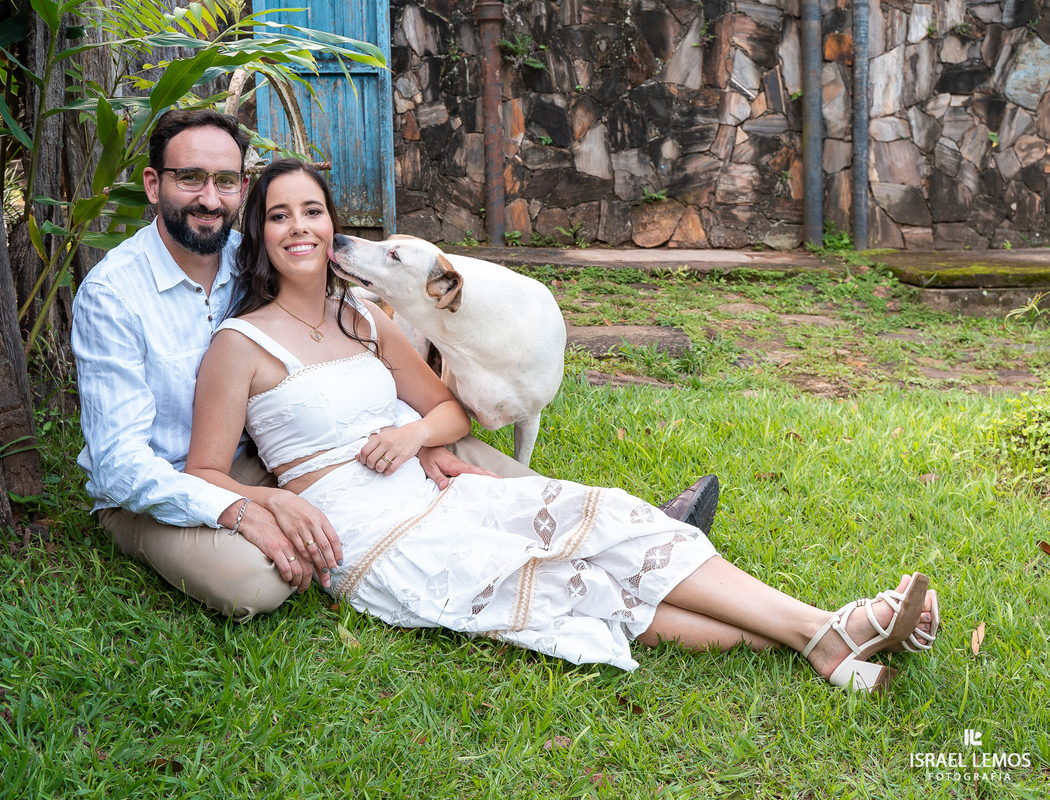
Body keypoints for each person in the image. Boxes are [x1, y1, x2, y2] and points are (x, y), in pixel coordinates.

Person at [183, 159, 939, 691]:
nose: (301, 228)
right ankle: (829, 633)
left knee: (610, 517)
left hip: (434, 487)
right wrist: (278, 501)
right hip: (362, 531)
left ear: (332, 223)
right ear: (260, 233)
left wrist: (415, 439)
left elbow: (447, 409)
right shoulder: (240, 344)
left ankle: (824, 636)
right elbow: (203, 473)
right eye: (279, 215)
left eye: (312, 211)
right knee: (571, 584)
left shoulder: (367, 318)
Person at [71, 109, 718, 623]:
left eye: (225, 181)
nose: (208, 198)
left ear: (242, 187)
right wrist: (242, 509)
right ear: (155, 185)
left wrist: (413, 431)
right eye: (190, 179)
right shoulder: (113, 294)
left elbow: (328, 343)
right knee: (254, 583)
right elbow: (121, 464)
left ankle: (622, 528)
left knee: (448, 446)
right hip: (162, 485)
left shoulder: (250, 250)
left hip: (276, 444)